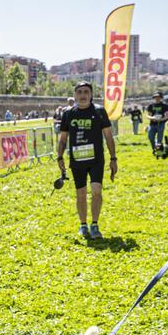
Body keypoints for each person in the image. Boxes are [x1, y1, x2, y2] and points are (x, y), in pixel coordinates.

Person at [57, 82, 117, 239]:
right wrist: (59, 156)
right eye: (80, 92)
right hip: (77, 161)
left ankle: (95, 225)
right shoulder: (68, 114)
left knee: (97, 191)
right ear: (75, 95)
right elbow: (63, 138)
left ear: (91, 94)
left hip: (96, 160)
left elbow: (109, 136)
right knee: (81, 194)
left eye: (86, 92)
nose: (83, 95)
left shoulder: (99, 111)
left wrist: (113, 158)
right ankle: (83, 225)